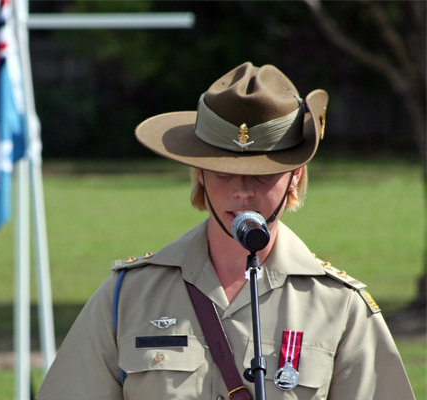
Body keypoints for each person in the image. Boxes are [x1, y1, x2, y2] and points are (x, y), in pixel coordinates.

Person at [35, 62, 415, 400]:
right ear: (198, 173)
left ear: (294, 176)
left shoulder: (339, 306)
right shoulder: (128, 296)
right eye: (222, 170)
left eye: (262, 174)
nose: (242, 190)